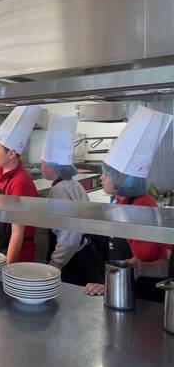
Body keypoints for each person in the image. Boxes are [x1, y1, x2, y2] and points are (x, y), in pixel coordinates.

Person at [84, 106, 173, 302]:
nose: (101, 178)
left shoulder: (140, 207)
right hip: (128, 286)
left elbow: (143, 260)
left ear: (121, 179)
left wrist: (111, 284)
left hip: (144, 292)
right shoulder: (122, 201)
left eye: (106, 174)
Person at [40, 114, 105, 286]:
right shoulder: (73, 184)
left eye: (43, 163)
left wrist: (54, 266)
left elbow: (69, 238)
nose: (41, 166)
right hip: (84, 254)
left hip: (72, 262)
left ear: (54, 167)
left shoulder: (58, 190)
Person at [0, 106, 40, 263]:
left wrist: (7, 267)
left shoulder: (20, 183)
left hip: (14, 254)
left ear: (12, 153)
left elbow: (17, 233)